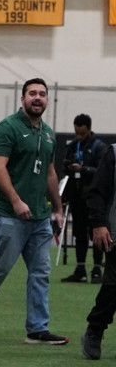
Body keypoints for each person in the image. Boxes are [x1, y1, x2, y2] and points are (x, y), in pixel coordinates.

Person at [0, 78, 67, 346]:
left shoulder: (48, 134)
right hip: (9, 213)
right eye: (32, 93)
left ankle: (37, 328)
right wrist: (17, 201)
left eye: (42, 94)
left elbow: (50, 173)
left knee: (41, 272)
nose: (38, 97)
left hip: (40, 216)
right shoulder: (6, 128)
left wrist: (58, 208)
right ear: (22, 98)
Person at [79, 139, 116, 359]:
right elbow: (97, 192)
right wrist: (99, 224)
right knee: (113, 286)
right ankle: (95, 329)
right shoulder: (113, 153)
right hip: (115, 231)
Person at [61, 114, 105, 285]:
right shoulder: (72, 146)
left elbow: (102, 171)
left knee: (96, 234)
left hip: (93, 198)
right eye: (76, 133)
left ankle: (97, 270)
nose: (78, 136)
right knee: (79, 234)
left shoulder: (99, 147)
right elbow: (65, 169)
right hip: (77, 196)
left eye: (82, 133)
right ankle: (80, 270)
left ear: (88, 129)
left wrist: (83, 169)